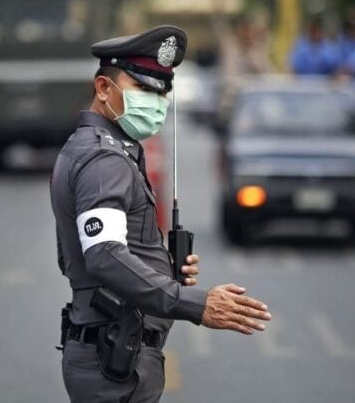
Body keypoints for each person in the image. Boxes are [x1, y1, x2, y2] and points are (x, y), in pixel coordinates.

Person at [51, 25, 272, 402]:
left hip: (112, 351)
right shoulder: (104, 158)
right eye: (143, 90)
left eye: (162, 92)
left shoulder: (96, 147)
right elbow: (103, 255)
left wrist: (160, 267)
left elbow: (77, 255)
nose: (155, 102)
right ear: (104, 88)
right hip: (113, 359)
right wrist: (196, 304)